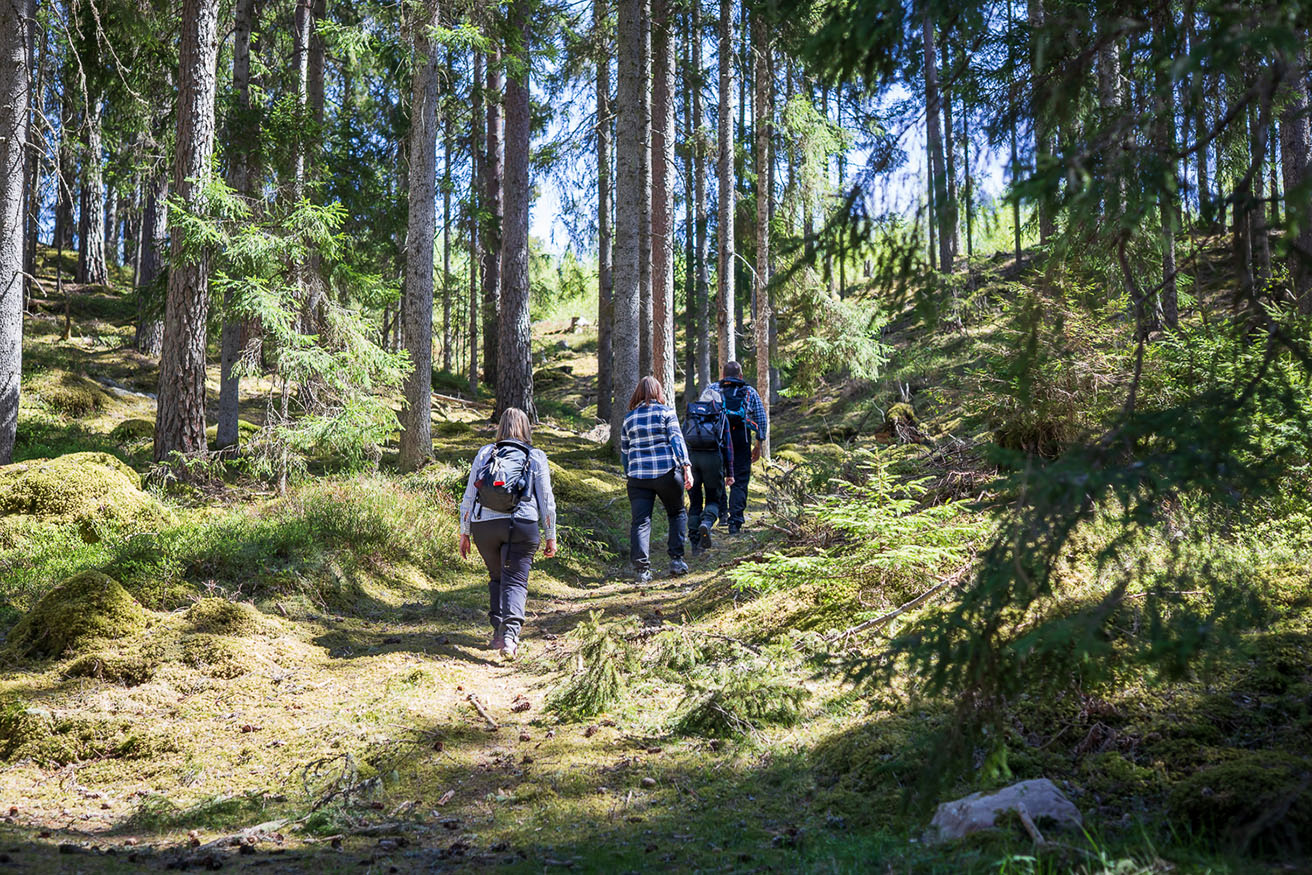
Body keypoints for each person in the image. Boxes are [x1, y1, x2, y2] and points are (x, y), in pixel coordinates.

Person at [459, 407, 557, 660]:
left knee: (497, 577)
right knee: (515, 580)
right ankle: (511, 638)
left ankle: (498, 634)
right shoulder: (535, 456)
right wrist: (550, 534)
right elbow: (546, 498)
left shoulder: (484, 453)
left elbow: (470, 495)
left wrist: (465, 532)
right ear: (526, 428)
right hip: (521, 524)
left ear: (500, 427)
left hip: (485, 526)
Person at [620, 376, 693, 583]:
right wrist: (686, 466)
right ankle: (677, 561)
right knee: (677, 512)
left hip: (638, 478)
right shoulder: (667, 412)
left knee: (641, 522)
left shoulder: (629, 418)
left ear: (638, 394)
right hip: (666, 473)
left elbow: (625, 452)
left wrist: (630, 472)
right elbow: (676, 440)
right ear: (658, 392)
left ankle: (641, 570)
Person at [711, 361, 768, 534]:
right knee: (740, 481)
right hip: (740, 440)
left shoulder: (712, 389)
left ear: (723, 375)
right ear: (740, 376)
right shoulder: (749, 391)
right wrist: (759, 444)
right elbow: (761, 419)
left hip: (717, 440)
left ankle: (722, 515)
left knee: (718, 477)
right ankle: (735, 522)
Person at [683, 385, 734, 554]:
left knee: (695, 502)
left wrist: (683, 468)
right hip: (713, 460)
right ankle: (706, 522)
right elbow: (728, 446)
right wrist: (730, 473)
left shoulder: (692, 414)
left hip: (693, 460)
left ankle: (695, 543)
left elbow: (683, 439)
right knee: (713, 499)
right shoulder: (719, 415)